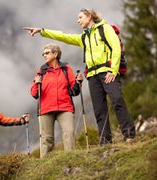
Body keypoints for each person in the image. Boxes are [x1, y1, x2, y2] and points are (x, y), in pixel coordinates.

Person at [24, 8, 136, 144]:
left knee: (117, 100)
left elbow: (116, 48)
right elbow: (64, 36)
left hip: (107, 71)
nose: (78, 21)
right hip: (93, 76)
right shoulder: (84, 37)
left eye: (80, 17)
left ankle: (129, 135)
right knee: (99, 109)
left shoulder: (105, 28)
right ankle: (105, 141)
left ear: (89, 16)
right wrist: (42, 31)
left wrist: (113, 70)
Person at [31, 43, 82, 158]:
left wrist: (79, 82)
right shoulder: (41, 72)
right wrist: (36, 83)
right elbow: (34, 93)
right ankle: (45, 166)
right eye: (43, 53)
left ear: (56, 54)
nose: (44, 55)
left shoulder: (66, 69)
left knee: (69, 133)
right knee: (47, 139)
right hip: (46, 109)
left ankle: (70, 160)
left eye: (47, 53)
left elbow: (74, 91)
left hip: (65, 107)